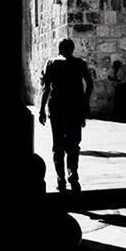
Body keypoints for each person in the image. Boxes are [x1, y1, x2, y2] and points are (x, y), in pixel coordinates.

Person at [39, 38, 93, 192]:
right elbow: (89, 83)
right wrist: (86, 102)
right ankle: (73, 173)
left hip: (56, 107)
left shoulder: (51, 63)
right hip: (75, 107)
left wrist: (42, 109)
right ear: (73, 49)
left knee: (58, 145)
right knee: (73, 144)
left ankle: (60, 177)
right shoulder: (80, 63)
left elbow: (46, 88)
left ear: (59, 49)